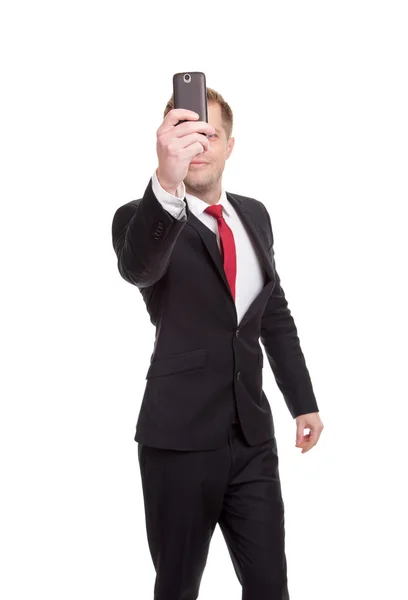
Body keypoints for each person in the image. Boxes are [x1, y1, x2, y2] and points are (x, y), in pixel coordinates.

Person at [111, 87, 324, 600]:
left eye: (210, 134)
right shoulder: (142, 220)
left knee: (271, 586)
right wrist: (165, 183)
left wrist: (304, 404)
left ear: (231, 146)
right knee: (179, 587)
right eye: (186, 134)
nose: (199, 145)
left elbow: (273, 315)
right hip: (179, 441)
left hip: (252, 440)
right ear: (167, 144)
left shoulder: (255, 216)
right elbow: (138, 267)